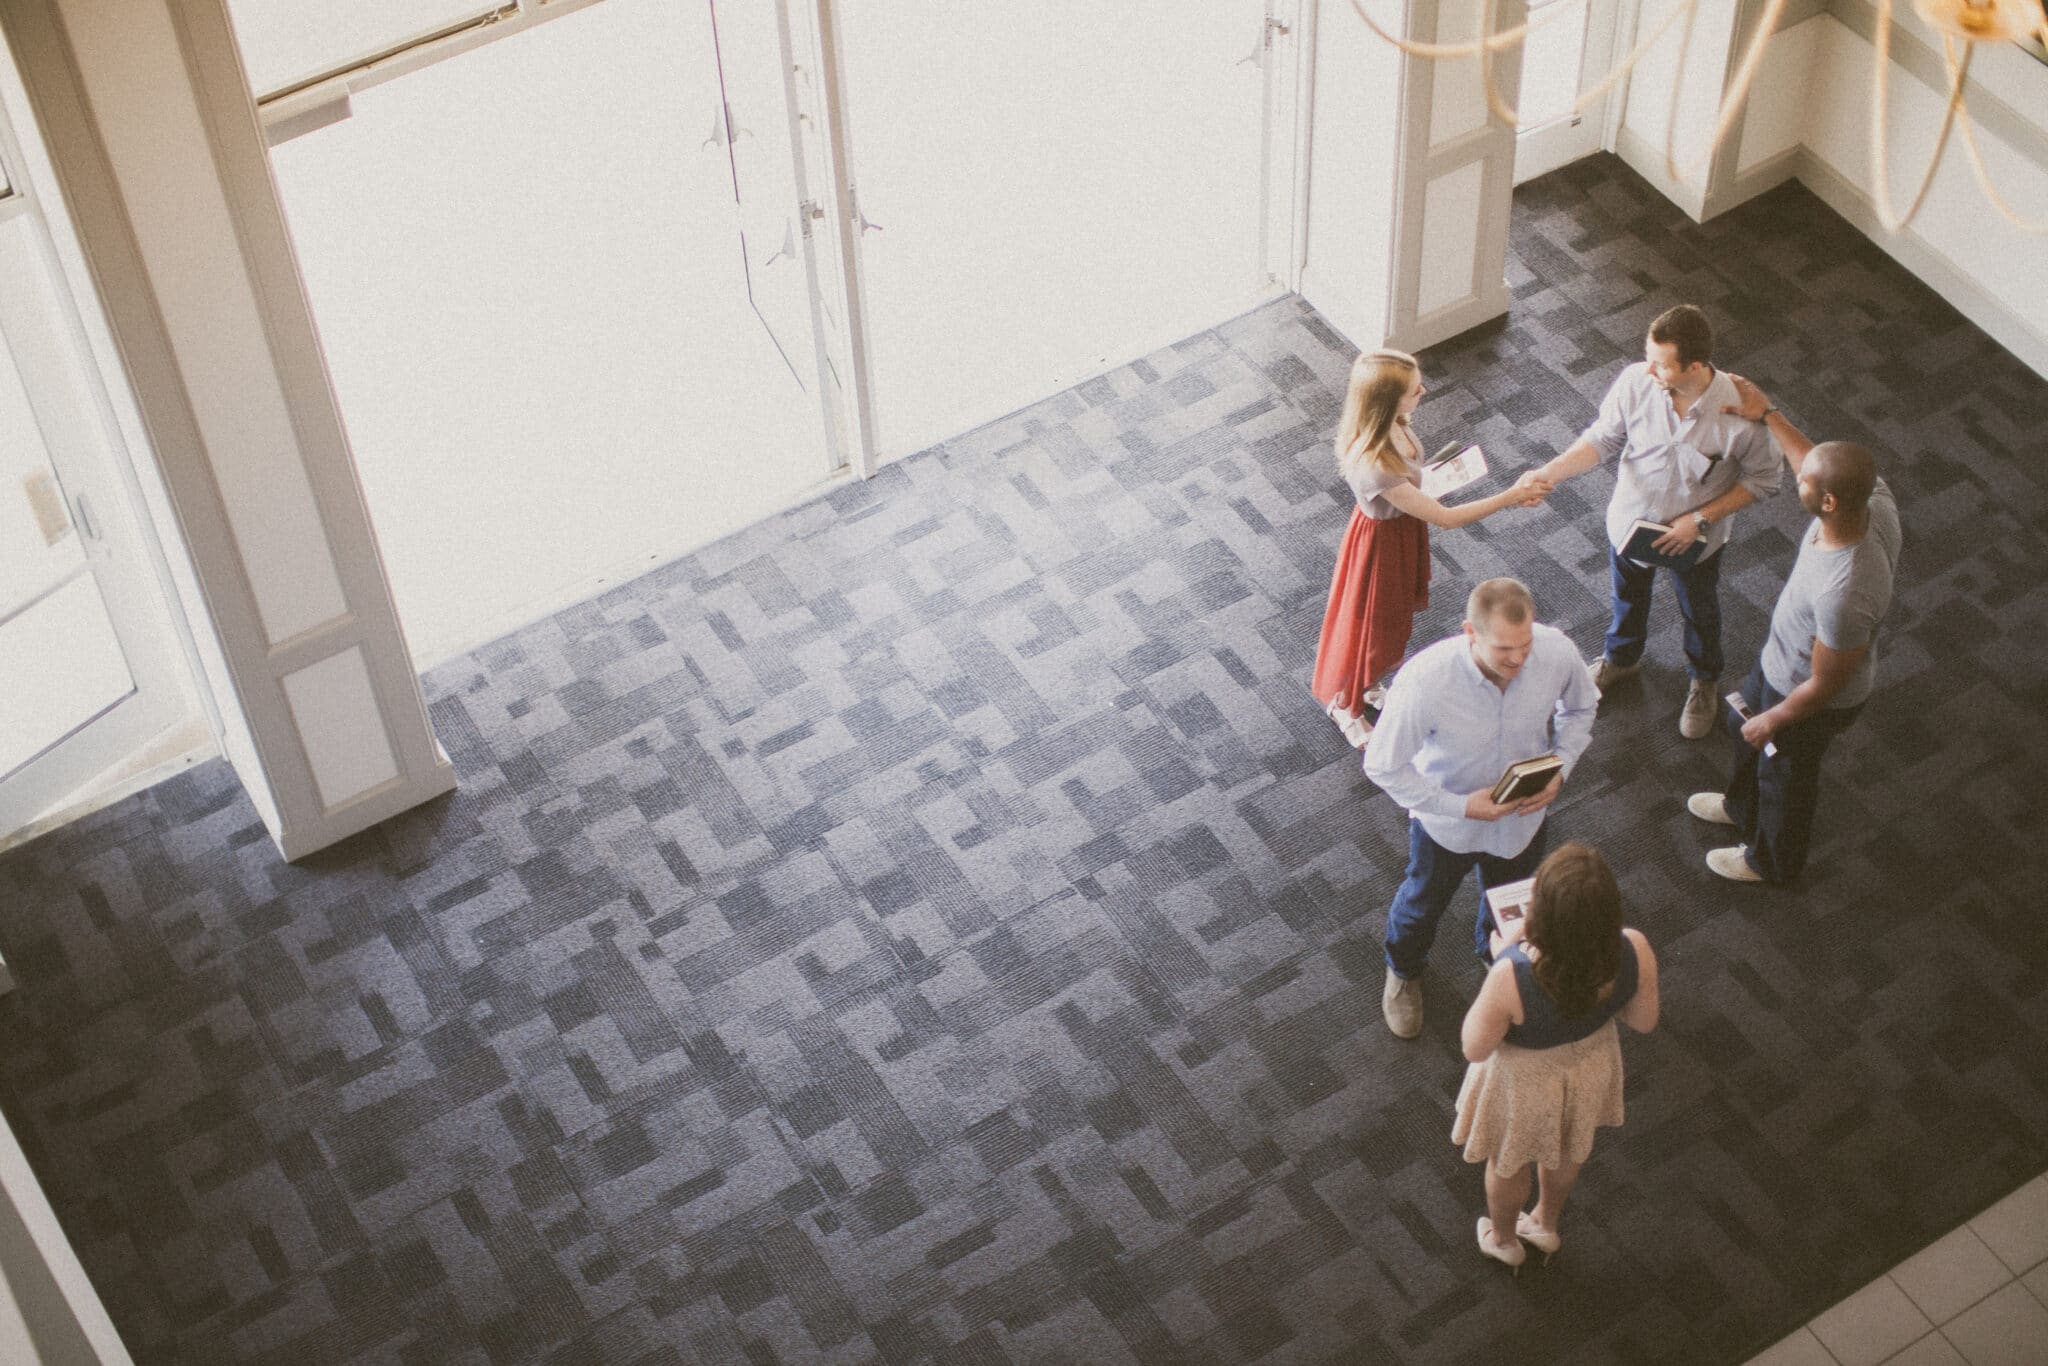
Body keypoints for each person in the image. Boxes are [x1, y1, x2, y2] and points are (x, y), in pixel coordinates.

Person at [1363, 577, 1598, 1038]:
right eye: (1503, 649)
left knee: (1512, 903)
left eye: (1525, 645)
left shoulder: (1555, 651)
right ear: (1470, 632)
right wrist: (1460, 807)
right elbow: (1382, 765)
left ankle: (1497, 955)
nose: (1518, 660)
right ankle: (1403, 972)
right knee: (1422, 904)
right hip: (1448, 826)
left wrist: (1561, 768)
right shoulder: (1426, 682)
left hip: (1523, 820)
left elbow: (1581, 710)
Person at [1532, 304, 1781, 739]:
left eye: (1661, 363)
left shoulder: (1742, 412)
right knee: (1628, 597)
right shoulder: (1636, 380)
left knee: (1699, 610)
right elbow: (1603, 438)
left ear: (1696, 366)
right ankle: (1622, 660)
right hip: (1630, 523)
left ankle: (1704, 679)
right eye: (1648, 356)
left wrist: (1700, 519)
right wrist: (1550, 472)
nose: (1649, 368)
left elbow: (1766, 479)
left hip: (1695, 541)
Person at [1689, 376, 1901, 883]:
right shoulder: (1873, 499)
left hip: (1808, 696)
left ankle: (1771, 862)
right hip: (1779, 662)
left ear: (1827, 503)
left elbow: (1827, 684)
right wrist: (1769, 414)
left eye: (1805, 482)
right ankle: (1741, 808)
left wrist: (1777, 719)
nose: (1797, 478)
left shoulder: (1845, 592)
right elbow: (1814, 461)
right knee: (1747, 740)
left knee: (1785, 774)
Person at [1312, 349, 1550, 748]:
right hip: (1382, 546)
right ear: (1387, 401)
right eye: (1413, 389)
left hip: (1400, 530)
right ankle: (1345, 704)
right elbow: (1447, 519)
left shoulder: (1394, 422)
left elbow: (1417, 484)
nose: (1423, 390)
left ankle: (1365, 685)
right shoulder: (1376, 464)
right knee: (1373, 628)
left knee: (1390, 622)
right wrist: (1510, 496)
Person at [1452, 843, 1660, 1272]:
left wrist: (1502, 958)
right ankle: (1546, 1222)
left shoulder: (1513, 974)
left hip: (1524, 1082)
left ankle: (1504, 1239)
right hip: (1589, 1065)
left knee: (1509, 1164)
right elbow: (1643, 1021)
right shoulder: (1633, 946)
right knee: (1569, 1151)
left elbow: (1474, 1046)